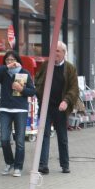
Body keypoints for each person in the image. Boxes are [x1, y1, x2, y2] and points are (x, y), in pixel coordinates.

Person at [35, 41, 79, 174]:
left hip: (61, 107)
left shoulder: (70, 68)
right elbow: (37, 81)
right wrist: (40, 95)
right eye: (53, 51)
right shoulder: (45, 66)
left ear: (64, 53)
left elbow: (74, 88)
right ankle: (43, 165)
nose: (54, 54)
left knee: (62, 136)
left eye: (57, 51)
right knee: (44, 134)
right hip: (46, 106)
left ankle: (65, 164)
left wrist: (66, 101)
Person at [0, 50, 35, 178]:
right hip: (5, 109)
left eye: (12, 60)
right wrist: (6, 67)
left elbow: (32, 91)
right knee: (4, 139)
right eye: (7, 60)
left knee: (20, 141)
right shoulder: (4, 74)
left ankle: (18, 167)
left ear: (17, 60)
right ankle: (9, 163)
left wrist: (22, 89)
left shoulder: (24, 73)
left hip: (20, 110)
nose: (10, 62)